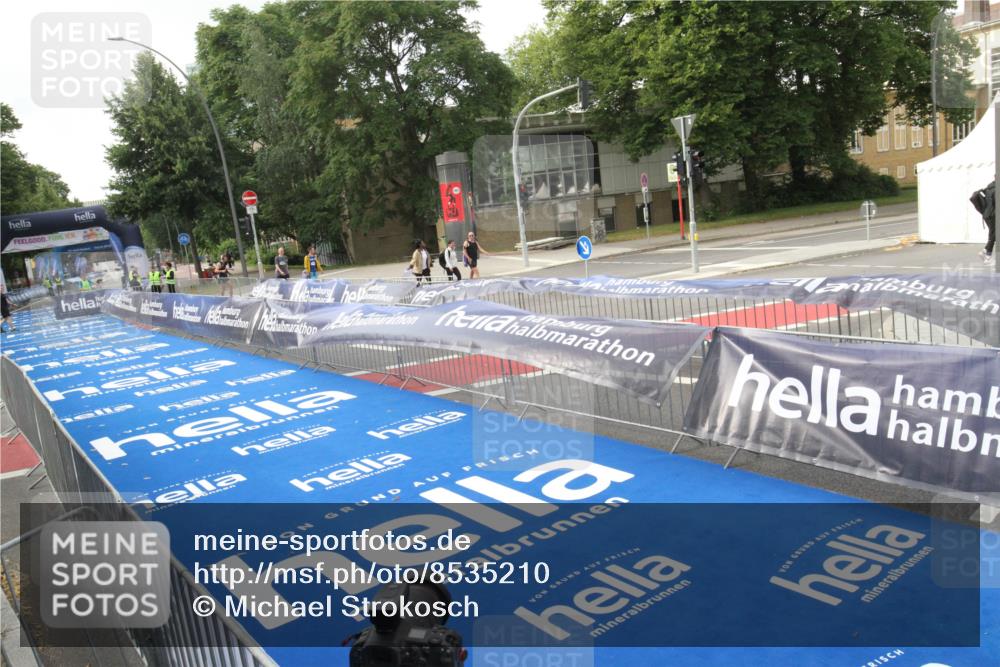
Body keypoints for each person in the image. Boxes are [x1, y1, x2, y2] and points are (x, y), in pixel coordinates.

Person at [972, 181, 996, 265]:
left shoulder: (988, 188)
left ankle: (985, 253)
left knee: (993, 235)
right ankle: (987, 256)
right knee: (993, 236)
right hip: (992, 215)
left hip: (986, 215)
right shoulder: (996, 190)